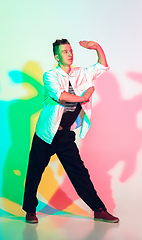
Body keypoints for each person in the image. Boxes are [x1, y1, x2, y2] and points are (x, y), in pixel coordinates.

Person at [22, 39, 119, 224]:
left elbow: (102, 66)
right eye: (65, 51)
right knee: (35, 172)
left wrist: (97, 47)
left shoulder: (80, 73)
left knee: (79, 173)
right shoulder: (50, 75)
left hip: (65, 134)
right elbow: (61, 96)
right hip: (46, 134)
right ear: (57, 56)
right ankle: (30, 210)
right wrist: (83, 97)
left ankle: (99, 210)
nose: (70, 53)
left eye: (71, 50)